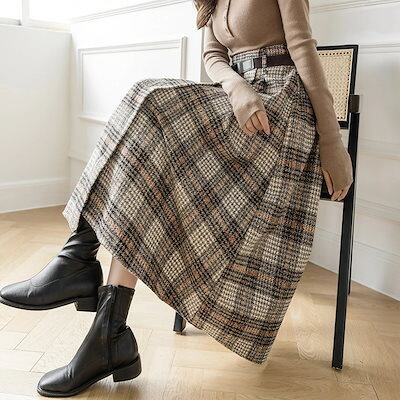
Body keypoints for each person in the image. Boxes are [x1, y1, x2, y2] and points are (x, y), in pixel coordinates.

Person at [0, 0, 353, 397]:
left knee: (150, 101)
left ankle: (80, 268)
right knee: (147, 146)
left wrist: (332, 142)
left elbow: (303, 47)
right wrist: (235, 85)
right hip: (239, 99)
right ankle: (106, 326)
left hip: (280, 109)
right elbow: (213, 54)